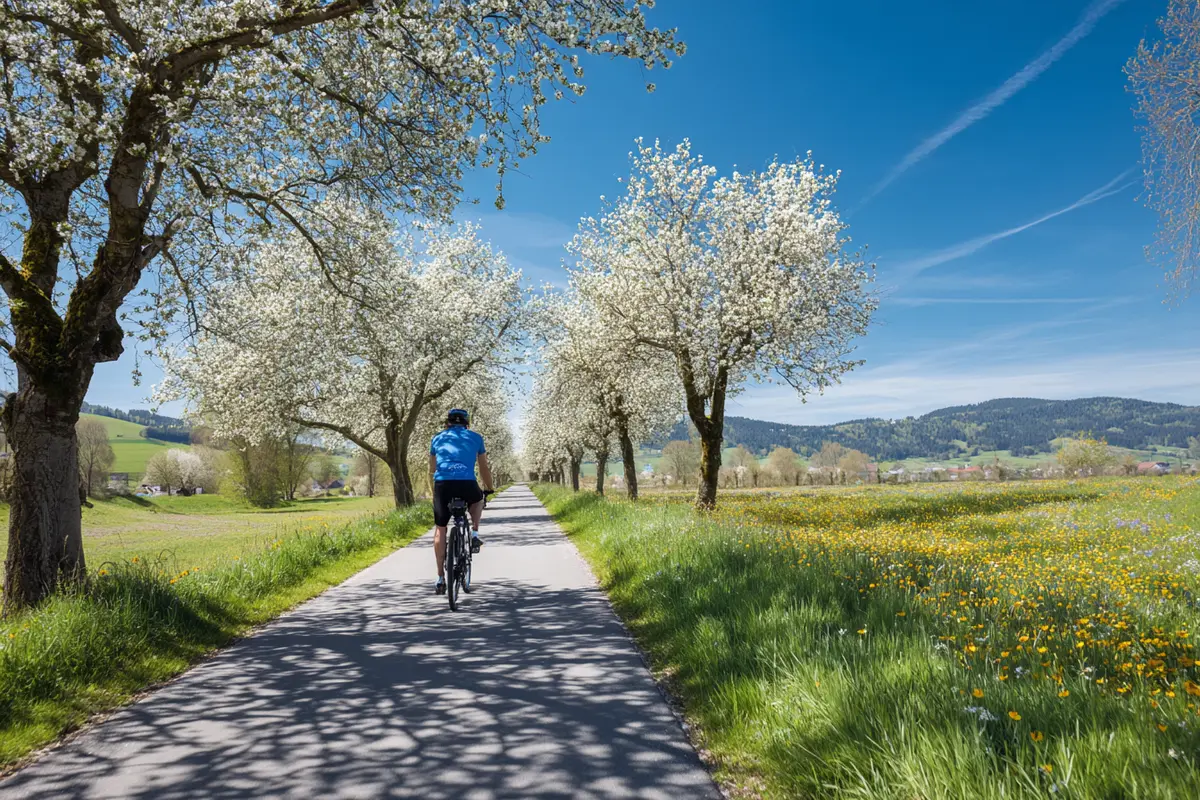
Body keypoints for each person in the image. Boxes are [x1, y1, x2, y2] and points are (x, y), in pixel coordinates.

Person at [428, 408, 493, 595]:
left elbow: (432, 469)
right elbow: (483, 467)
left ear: (447, 423)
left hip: (443, 485)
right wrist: (489, 488)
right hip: (467, 483)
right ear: (467, 423)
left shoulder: (437, 438)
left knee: (440, 529)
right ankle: (474, 533)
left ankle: (440, 578)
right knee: (478, 499)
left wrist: (436, 486)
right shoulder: (476, 438)